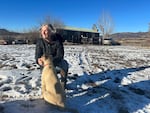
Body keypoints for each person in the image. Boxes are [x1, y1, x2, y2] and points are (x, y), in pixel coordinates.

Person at [35, 24, 68, 89]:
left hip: (56, 63)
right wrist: (38, 60)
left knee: (64, 64)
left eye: (46, 30)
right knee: (47, 81)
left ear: (51, 32)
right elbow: (37, 55)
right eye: (42, 30)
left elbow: (60, 55)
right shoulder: (39, 41)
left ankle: (63, 84)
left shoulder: (58, 40)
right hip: (45, 65)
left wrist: (50, 62)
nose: (43, 32)